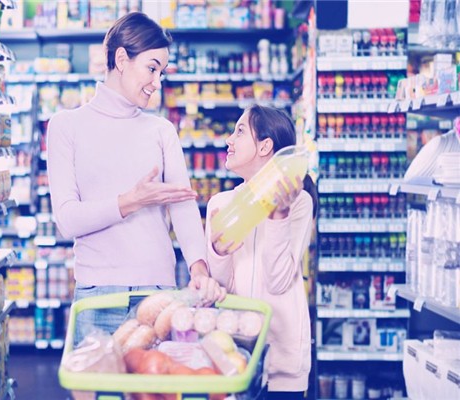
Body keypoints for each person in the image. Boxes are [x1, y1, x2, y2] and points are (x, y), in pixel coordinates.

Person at [46, 12, 225, 346]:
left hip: (157, 294)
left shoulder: (161, 131)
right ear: (121, 59)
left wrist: (199, 269)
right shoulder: (65, 126)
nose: (157, 82)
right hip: (97, 297)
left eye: (162, 72)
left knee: (152, 393)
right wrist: (131, 201)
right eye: (152, 68)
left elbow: (183, 206)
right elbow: (67, 220)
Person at [205, 105, 317, 400]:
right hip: (237, 354)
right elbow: (221, 286)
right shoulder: (221, 205)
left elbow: (278, 280)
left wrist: (278, 215)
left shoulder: (299, 202)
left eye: (240, 131)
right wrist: (217, 251)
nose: (229, 140)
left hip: (283, 364)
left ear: (266, 145)